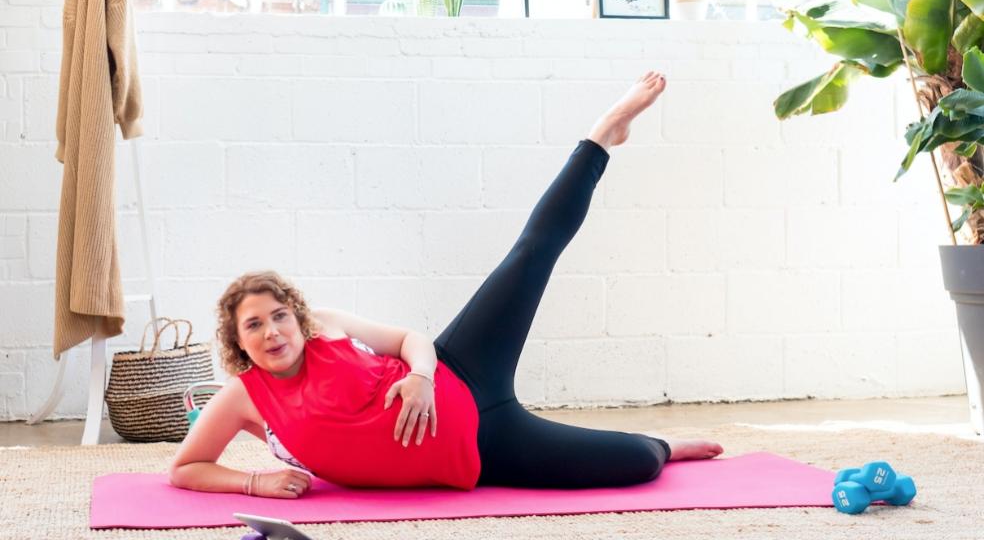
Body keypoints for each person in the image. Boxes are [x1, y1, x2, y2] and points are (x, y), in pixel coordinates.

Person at [169, 71, 723, 499]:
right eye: (254, 325)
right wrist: (254, 483)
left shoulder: (326, 326)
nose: (271, 331)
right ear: (238, 341)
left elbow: (411, 339)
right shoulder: (242, 397)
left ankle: (603, 135)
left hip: (463, 370)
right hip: (486, 451)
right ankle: (668, 444)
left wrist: (421, 377)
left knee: (530, 255)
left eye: (278, 315)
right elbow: (186, 468)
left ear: (296, 314)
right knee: (640, 464)